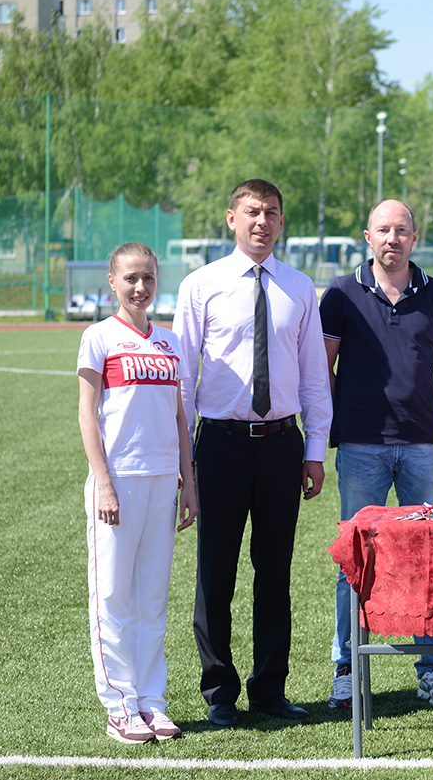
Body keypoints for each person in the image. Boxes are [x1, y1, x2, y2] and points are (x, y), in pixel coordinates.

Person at [173, 179, 333, 727]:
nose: (261, 221)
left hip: (283, 445)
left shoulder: (300, 287)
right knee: (215, 572)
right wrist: (184, 458)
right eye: (251, 212)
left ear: (282, 221)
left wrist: (315, 450)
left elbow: (314, 377)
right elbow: (183, 377)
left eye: (271, 213)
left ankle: (269, 689)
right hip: (219, 444)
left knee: (274, 573)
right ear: (231, 218)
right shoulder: (201, 285)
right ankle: (219, 690)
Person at [320, 199, 433, 709]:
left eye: (401, 230)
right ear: (368, 237)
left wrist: (417, 412)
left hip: (422, 447)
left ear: (414, 237)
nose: (392, 238)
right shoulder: (341, 293)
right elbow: (323, 370)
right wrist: (354, 415)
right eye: (383, 230)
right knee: (354, 562)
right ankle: (347, 667)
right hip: (361, 447)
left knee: (429, 559)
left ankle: (432, 668)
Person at [77, 242, 197, 744]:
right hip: (119, 482)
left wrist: (189, 481)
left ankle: (152, 701)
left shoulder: (169, 342)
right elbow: (86, 414)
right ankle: (120, 704)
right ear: (112, 282)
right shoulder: (98, 337)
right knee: (113, 597)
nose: (140, 286)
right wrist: (103, 481)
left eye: (148, 277)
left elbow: (180, 417)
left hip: (163, 480)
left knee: (152, 598)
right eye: (130, 278)